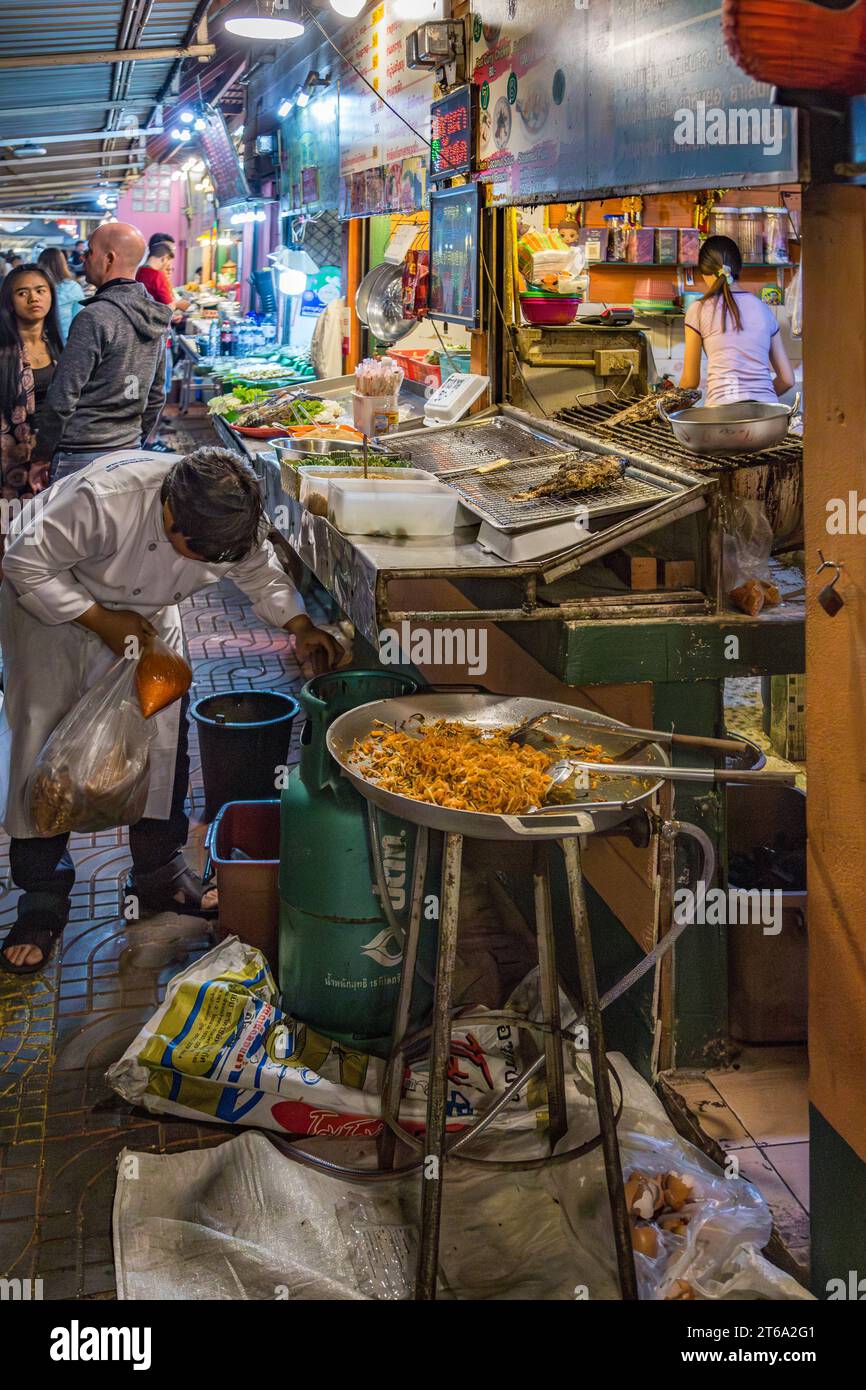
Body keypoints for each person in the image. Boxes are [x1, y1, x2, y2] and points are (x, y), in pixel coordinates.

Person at [0, 447, 340, 974]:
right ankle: (41, 899)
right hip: (56, 619)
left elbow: (260, 573)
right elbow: (23, 562)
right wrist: (102, 620)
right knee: (43, 752)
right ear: (168, 513)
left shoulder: (230, 517)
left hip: (151, 625)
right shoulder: (103, 500)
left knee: (163, 747)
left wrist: (300, 625)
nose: (207, 563)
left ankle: (160, 875)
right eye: (196, 551)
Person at [35, 222, 172, 481]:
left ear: (108, 259)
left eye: (89, 251)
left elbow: (63, 395)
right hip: (128, 453)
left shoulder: (95, 317)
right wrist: (133, 438)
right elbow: (156, 395)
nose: (83, 258)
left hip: (79, 455)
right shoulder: (154, 315)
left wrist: (42, 454)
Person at [679, 236, 795, 407]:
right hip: (768, 417)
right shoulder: (764, 310)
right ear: (738, 268)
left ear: (704, 273)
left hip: (722, 416)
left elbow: (690, 382)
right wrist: (760, 399)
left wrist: (668, 411)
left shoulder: (698, 309)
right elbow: (787, 380)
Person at [0, 264, 64, 504]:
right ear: (9, 301)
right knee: (9, 532)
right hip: (7, 461)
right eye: (22, 293)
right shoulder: (4, 351)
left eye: (40, 290)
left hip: (49, 454)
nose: (33, 298)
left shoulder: (57, 346)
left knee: (43, 530)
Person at [37, 246, 85, 343]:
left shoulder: (35, 287)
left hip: (38, 343)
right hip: (65, 343)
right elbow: (80, 321)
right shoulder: (73, 287)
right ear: (63, 263)